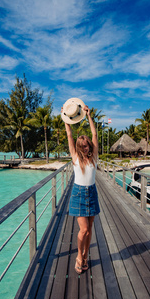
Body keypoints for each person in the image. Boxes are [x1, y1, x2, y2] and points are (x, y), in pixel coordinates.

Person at [62, 102, 100, 274]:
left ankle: (86, 255)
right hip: (78, 193)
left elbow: (94, 133)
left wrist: (89, 115)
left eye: (87, 145)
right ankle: (79, 255)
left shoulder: (94, 158)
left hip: (91, 193)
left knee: (90, 229)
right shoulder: (76, 158)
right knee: (83, 230)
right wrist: (65, 117)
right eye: (82, 146)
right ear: (78, 147)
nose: (85, 148)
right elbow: (69, 134)